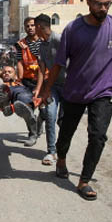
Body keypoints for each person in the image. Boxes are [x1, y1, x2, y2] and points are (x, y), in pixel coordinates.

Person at [40, 0, 112, 201]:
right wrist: (46, 90)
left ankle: (84, 180)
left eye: (107, 4)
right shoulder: (73, 29)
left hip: (103, 91)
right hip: (74, 91)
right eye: (98, 4)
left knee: (98, 136)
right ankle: (61, 159)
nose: (103, 8)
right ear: (89, 3)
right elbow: (59, 63)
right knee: (66, 132)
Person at [35, 13, 65, 164]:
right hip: (52, 86)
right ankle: (51, 151)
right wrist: (39, 89)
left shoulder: (59, 40)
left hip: (68, 86)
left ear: (39, 26)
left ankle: (62, 150)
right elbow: (42, 69)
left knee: (63, 121)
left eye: (35, 27)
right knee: (50, 115)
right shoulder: (41, 46)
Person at [15, 16, 44, 139]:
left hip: (44, 81)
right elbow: (20, 62)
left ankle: (40, 121)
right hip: (28, 81)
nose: (30, 28)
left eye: (32, 25)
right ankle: (32, 133)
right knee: (27, 108)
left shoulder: (44, 42)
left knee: (45, 110)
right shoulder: (20, 44)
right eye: (27, 26)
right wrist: (19, 79)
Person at [0, 65, 39, 147]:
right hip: (6, 96)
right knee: (1, 91)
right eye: (4, 72)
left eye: (9, 72)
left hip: (21, 96)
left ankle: (33, 134)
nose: (6, 73)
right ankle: (7, 108)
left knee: (23, 97)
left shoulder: (21, 83)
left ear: (15, 75)